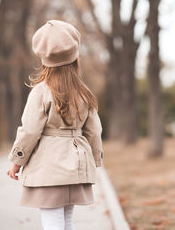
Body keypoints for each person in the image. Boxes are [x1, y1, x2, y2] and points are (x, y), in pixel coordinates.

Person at [6, 20, 104, 230]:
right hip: (76, 164)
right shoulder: (84, 93)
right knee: (67, 222)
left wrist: (17, 161)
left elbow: (30, 130)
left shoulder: (41, 91)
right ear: (75, 57)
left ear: (44, 59)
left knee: (53, 224)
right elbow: (94, 131)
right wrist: (94, 160)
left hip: (48, 167)